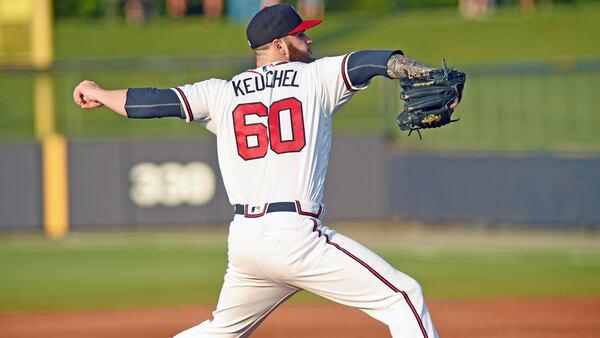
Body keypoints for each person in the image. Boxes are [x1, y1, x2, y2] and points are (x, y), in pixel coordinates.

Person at [73, 4, 456, 337]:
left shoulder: (221, 92)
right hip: (294, 237)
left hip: (246, 243)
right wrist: (407, 67)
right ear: (279, 46)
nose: (309, 42)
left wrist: (100, 92)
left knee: (222, 331)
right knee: (403, 297)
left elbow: (152, 102)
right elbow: (364, 63)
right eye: (301, 37)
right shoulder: (315, 77)